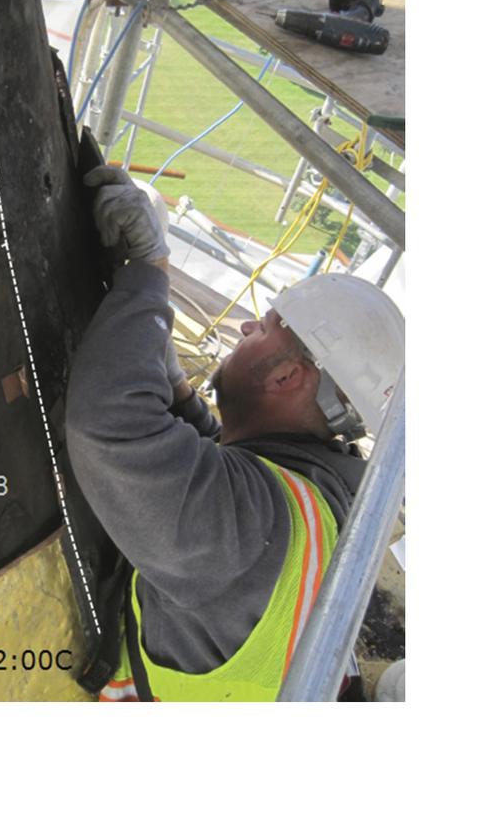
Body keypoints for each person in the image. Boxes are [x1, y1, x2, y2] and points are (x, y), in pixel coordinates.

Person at [66, 166, 404, 702]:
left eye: (265, 326)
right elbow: (235, 472)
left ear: (287, 376)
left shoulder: (246, 529)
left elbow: (109, 424)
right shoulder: (327, 494)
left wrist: (149, 275)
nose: (246, 327)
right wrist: (180, 394)